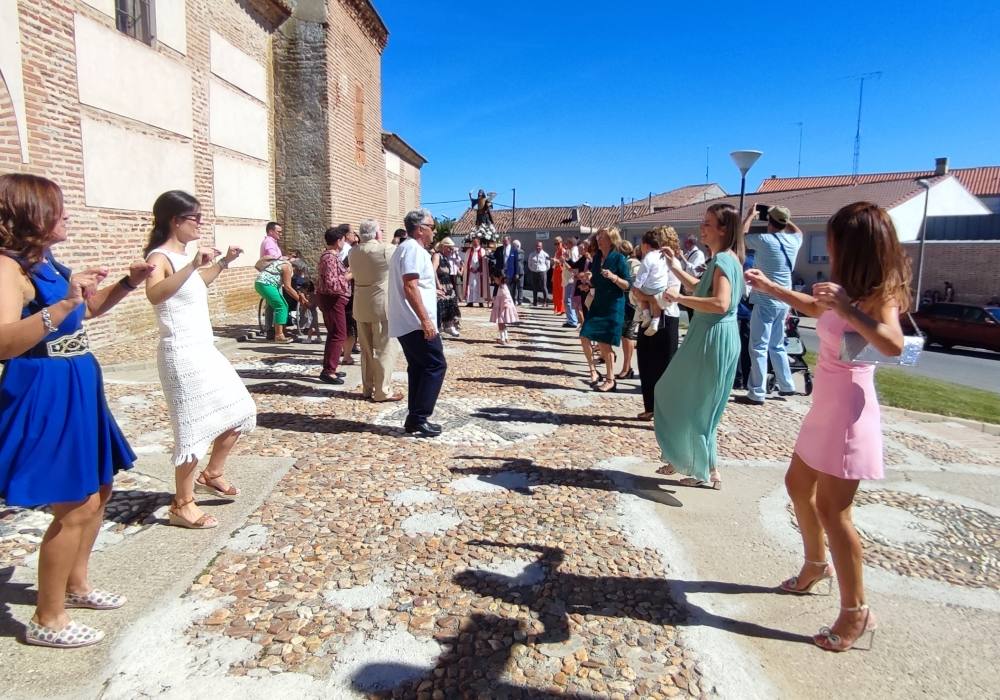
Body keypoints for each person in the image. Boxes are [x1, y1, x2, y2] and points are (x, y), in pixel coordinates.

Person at [745, 201, 912, 652]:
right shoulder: (845, 289)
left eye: (835, 238)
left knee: (834, 512)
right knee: (798, 485)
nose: (829, 246)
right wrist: (770, 287)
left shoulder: (880, 293)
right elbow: (815, 309)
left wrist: (850, 309)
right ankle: (816, 565)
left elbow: (893, 344)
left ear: (855, 245)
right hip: (826, 408)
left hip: (849, 415)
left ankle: (856, 611)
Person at [0, 173, 153, 648]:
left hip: (78, 382)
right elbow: (4, 342)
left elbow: (87, 312)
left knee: (101, 487)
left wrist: (129, 282)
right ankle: (49, 619)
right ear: (32, 215)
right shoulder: (7, 269)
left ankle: (77, 584)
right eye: (57, 208)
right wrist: (60, 307)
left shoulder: (44, 261)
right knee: (75, 502)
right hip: (45, 386)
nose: (66, 216)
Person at [144, 190, 256, 529]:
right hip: (180, 353)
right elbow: (155, 294)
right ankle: (182, 504)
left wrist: (222, 263)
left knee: (240, 411)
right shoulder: (159, 256)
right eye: (195, 219)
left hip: (204, 349)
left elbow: (195, 286)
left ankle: (213, 472)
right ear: (175, 221)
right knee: (191, 431)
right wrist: (193, 263)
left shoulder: (183, 259)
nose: (200, 225)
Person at [653, 202, 746, 490]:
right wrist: (676, 268)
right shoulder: (726, 259)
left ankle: (697, 465)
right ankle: (707, 467)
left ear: (723, 229)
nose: (701, 227)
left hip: (711, 336)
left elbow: (720, 303)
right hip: (714, 335)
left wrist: (678, 299)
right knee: (700, 403)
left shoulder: (722, 261)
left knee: (680, 397)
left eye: (707, 223)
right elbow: (699, 286)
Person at [388, 209, 447, 437]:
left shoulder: (408, 249)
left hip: (408, 321)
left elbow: (417, 285)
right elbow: (410, 286)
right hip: (415, 322)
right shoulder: (412, 249)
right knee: (435, 365)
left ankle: (415, 418)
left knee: (419, 368)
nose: (434, 231)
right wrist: (426, 320)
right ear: (421, 229)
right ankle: (420, 417)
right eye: (432, 226)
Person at [737, 205, 803, 406]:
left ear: (769, 221)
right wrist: (784, 217)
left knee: (758, 346)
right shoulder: (794, 240)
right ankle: (787, 384)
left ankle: (757, 392)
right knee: (777, 344)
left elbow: (740, 237)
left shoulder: (765, 240)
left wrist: (750, 216)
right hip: (784, 300)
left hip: (765, 299)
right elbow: (798, 231)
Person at [348, 219, 403, 402]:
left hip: (361, 303)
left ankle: (367, 387)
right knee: (384, 349)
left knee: (365, 349)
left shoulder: (352, 252)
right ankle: (382, 390)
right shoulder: (385, 249)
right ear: (377, 233)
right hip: (381, 304)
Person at [635, 226, 682, 420]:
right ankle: (650, 407)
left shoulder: (673, 263)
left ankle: (666, 411)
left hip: (667, 316)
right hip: (648, 316)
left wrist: (646, 295)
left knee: (665, 365)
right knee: (645, 363)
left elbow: (670, 294)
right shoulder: (652, 260)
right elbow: (636, 291)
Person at [579, 228, 632, 393]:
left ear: (611, 240)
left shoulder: (619, 259)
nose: (599, 240)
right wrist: (588, 281)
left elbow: (628, 284)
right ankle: (596, 372)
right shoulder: (596, 259)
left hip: (613, 305)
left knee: (604, 342)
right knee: (584, 335)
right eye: (599, 237)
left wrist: (614, 277)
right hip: (598, 303)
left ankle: (610, 379)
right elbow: (596, 280)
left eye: (603, 237)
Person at [316, 227, 352, 384]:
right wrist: (350, 275)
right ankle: (329, 371)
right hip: (332, 299)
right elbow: (332, 284)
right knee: (338, 334)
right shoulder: (329, 258)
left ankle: (332, 367)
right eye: (344, 239)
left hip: (333, 299)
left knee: (334, 333)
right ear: (339, 241)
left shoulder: (330, 256)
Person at [631, 229, 676, 336]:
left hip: (649, 287)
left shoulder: (648, 257)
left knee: (641, 295)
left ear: (646, 245)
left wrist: (636, 286)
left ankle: (646, 315)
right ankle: (655, 321)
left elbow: (643, 272)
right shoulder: (663, 255)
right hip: (661, 287)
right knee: (656, 303)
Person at [253, 256, 302, 343]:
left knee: (283, 305)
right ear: (296, 268)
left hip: (262, 283)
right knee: (281, 306)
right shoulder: (288, 267)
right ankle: (279, 335)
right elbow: (288, 287)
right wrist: (301, 300)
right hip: (266, 284)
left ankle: (282, 332)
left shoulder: (281, 263)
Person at [616, 240, 642, 379]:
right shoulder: (628, 263)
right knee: (625, 336)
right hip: (626, 302)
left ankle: (627, 367)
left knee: (628, 336)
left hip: (631, 304)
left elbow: (632, 284)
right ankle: (627, 367)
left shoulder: (633, 264)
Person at [733, 249, 756, 390]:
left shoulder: (741, 261)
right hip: (748, 311)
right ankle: (746, 379)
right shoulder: (755, 261)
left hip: (740, 310)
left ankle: (739, 379)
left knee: (738, 347)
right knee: (747, 347)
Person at [433, 237, 462, 337]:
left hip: (448, 284)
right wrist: (438, 284)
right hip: (441, 284)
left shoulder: (446, 257)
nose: (451, 251)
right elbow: (433, 270)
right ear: (444, 247)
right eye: (449, 248)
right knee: (440, 306)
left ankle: (449, 326)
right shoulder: (437, 256)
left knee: (451, 304)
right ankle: (438, 328)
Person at [681, 236, 707, 321]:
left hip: (693, 286)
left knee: (693, 312)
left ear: (690, 243)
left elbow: (694, 271)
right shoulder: (688, 254)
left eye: (686, 242)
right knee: (689, 311)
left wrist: (683, 258)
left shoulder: (698, 254)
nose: (684, 244)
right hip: (686, 287)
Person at [490, 272, 519, 345]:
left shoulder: (503, 287)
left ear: (499, 278)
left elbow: (506, 297)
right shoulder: (502, 286)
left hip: (502, 308)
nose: (494, 281)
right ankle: (506, 337)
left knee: (500, 323)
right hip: (501, 306)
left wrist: (505, 304)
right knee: (502, 323)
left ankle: (502, 339)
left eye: (495, 279)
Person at [463, 236, 490, 307]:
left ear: (479, 242)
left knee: (479, 286)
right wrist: (470, 268)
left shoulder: (483, 251)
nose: (474, 244)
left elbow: (484, 262)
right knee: (471, 286)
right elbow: (466, 262)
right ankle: (470, 301)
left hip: (479, 273)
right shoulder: (469, 251)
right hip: (471, 273)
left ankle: (480, 301)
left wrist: (478, 269)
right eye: (473, 242)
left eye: (476, 242)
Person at [562, 236, 581, 327]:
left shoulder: (573, 252)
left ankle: (572, 320)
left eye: (567, 243)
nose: (566, 245)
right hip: (570, 278)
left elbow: (573, 268)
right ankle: (572, 319)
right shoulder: (573, 251)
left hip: (570, 279)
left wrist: (564, 261)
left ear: (571, 244)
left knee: (568, 300)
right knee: (569, 300)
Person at [527, 240, 551, 306]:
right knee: (535, 288)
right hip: (534, 272)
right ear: (535, 246)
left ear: (542, 247)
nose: (538, 247)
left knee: (544, 287)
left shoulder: (545, 255)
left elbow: (548, 265)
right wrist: (532, 269)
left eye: (539, 246)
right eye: (537, 246)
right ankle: (535, 302)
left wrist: (544, 270)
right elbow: (529, 264)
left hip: (542, 273)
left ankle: (545, 302)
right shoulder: (531, 254)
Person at [552, 236, 566, 314]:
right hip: (556, 272)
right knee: (556, 291)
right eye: (555, 243)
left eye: (557, 243)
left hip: (561, 272)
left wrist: (556, 261)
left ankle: (562, 309)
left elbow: (563, 262)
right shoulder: (557, 251)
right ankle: (557, 308)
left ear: (561, 243)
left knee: (561, 291)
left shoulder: (563, 251)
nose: (556, 245)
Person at [511, 240, 525, 304]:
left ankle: (520, 300)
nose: (512, 247)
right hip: (514, 271)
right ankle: (514, 300)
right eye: (512, 245)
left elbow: (518, 260)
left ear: (518, 246)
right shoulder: (513, 252)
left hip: (520, 271)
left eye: (514, 246)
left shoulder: (521, 252)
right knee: (514, 287)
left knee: (520, 287)